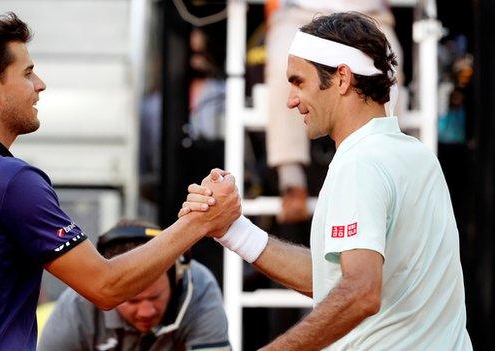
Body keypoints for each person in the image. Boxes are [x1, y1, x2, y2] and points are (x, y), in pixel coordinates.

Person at [0, 13, 241, 351]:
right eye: (27, 73)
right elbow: (106, 286)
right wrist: (198, 222)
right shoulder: (13, 180)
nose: (40, 85)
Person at [181, 12, 472, 350]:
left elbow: (360, 293)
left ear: (342, 79)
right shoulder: (416, 155)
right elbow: (334, 280)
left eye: (298, 82)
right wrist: (234, 230)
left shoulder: (360, 164)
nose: (290, 100)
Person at [264, 0, 403, 224]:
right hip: (299, 14)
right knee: (284, 68)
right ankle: (292, 182)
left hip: (367, 15)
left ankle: (386, 174)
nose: (293, 101)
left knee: (389, 68)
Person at [37, 220, 231, 351]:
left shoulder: (199, 286)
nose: (146, 312)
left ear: (177, 277)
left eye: (154, 297)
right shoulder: (78, 303)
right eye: (132, 300)